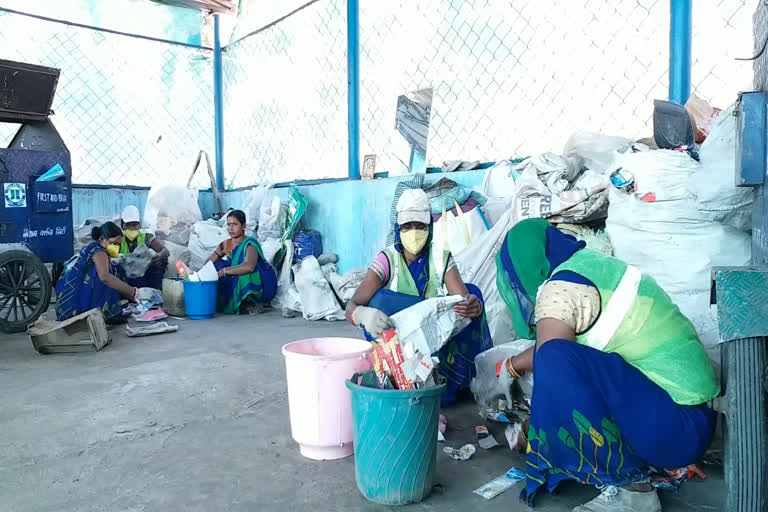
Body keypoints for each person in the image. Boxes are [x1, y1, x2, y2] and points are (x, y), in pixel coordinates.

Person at [495, 218, 719, 512]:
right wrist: (513, 365)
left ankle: (633, 489)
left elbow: (552, 358)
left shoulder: (558, 290)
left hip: (671, 431)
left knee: (555, 360)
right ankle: (643, 464)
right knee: (565, 360)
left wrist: (534, 430)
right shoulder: (593, 267)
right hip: (694, 420)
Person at [346, 188, 493, 405]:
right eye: (407, 226)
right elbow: (352, 305)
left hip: (432, 343)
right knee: (378, 301)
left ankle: (455, 381)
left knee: (474, 293)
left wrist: (472, 306)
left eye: (420, 226)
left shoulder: (440, 258)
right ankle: (394, 377)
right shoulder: (387, 260)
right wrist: (362, 314)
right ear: (398, 228)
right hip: (399, 342)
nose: (413, 232)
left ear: (429, 228)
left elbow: (461, 297)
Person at [55, 221, 139, 322]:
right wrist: (133, 292)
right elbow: (105, 277)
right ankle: (107, 313)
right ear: (102, 239)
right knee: (106, 276)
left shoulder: (91, 249)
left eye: (118, 245)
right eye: (114, 243)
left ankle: (109, 310)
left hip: (65, 308)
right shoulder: (98, 250)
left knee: (113, 271)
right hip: (73, 308)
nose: (116, 247)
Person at [209, 210, 277, 314]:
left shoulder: (249, 243)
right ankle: (235, 301)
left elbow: (249, 266)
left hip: (262, 281)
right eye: (229, 225)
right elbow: (210, 263)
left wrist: (224, 271)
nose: (231, 228)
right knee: (215, 266)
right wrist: (200, 275)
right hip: (237, 275)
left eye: (235, 224)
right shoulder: (225, 244)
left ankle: (253, 303)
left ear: (243, 226)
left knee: (243, 273)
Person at [117, 205, 170, 290]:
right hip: (127, 275)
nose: (131, 228)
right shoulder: (118, 238)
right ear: (122, 225)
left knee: (162, 261)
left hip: (144, 273)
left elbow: (165, 251)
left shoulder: (145, 237)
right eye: (128, 225)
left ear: (139, 225)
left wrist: (159, 256)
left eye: (134, 225)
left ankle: (154, 291)